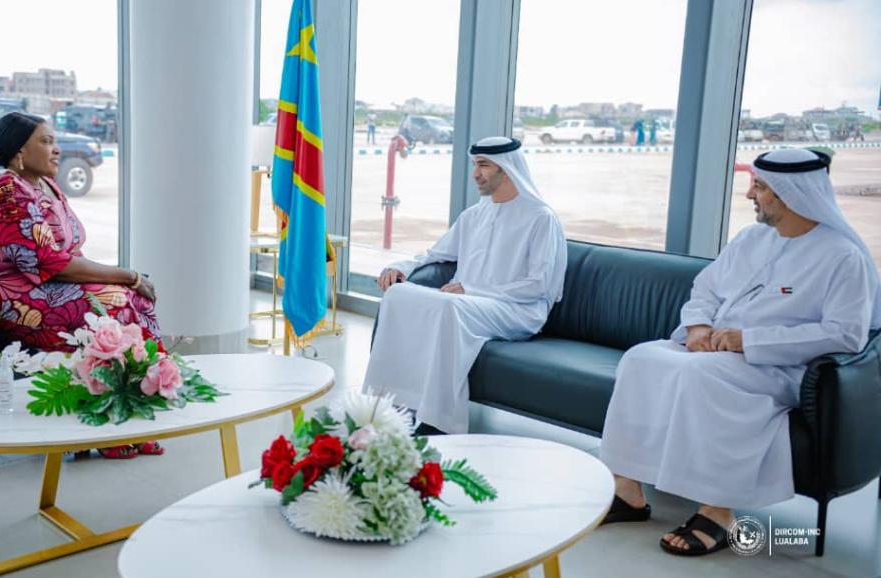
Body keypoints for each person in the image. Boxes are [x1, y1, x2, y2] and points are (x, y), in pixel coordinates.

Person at [599, 148, 879, 556]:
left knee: (701, 375)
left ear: (791, 195)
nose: (750, 195)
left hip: (778, 366)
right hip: (716, 351)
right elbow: (706, 287)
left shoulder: (843, 257)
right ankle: (628, 490)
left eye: (759, 187)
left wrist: (748, 340)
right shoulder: (751, 238)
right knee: (640, 358)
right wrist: (698, 326)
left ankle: (717, 512)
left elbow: (845, 336)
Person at [0, 112, 163, 460]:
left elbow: (68, 252)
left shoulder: (46, 185)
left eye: (55, 141)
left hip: (42, 281)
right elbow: (49, 261)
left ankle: (129, 413)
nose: (57, 149)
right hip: (4, 288)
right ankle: (100, 423)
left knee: (133, 301)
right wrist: (128, 275)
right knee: (113, 306)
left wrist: (124, 282)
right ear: (19, 150)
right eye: (46, 141)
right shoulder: (7, 190)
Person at [364, 136, 567, 435]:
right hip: (467, 302)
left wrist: (471, 290)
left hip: (518, 311)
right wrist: (401, 266)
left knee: (450, 307)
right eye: (475, 165)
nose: (475, 174)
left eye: (483, 166)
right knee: (397, 295)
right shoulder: (474, 215)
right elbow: (435, 254)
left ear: (507, 169)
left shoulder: (540, 218)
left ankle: (438, 420)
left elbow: (538, 286)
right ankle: (385, 406)